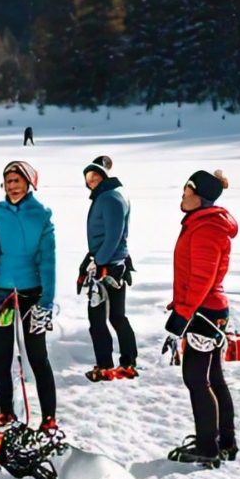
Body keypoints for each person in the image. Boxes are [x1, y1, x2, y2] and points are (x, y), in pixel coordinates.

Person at [0, 160, 58, 433]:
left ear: (29, 182)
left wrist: (46, 302)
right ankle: (5, 412)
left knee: (37, 356)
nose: (12, 186)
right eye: (8, 181)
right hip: (3, 296)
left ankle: (48, 419)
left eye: (17, 181)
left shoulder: (42, 215)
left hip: (33, 295)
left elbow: (48, 262)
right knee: (2, 356)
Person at [164, 169, 238, 467]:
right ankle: (225, 442)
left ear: (200, 197)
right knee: (212, 377)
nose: (182, 196)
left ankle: (208, 447)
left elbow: (202, 279)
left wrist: (183, 315)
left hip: (203, 312)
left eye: (187, 191)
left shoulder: (207, 228)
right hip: (207, 309)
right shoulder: (202, 223)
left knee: (196, 378)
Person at [78, 155, 138, 381]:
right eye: (88, 178)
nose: (91, 181)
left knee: (99, 319)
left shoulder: (110, 197)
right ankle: (128, 361)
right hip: (113, 262)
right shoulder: (110, 195)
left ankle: (105, 365)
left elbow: (114, 235)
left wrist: (99, 261)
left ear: (104, 177)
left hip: (108, 267)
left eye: (95, 176)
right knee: (116, 316)